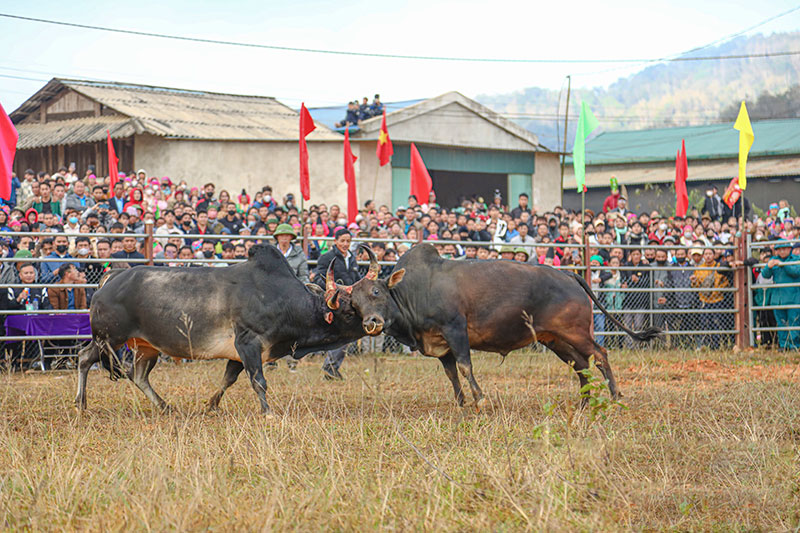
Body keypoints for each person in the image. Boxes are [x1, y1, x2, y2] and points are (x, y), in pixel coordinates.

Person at [313, 228, 360, 379]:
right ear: (336, 241)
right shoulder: (327, 257)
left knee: (346, 334)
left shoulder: (352, 258)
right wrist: (333, 287)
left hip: (350, 301)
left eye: (348, 241)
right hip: (333, 301)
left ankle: (331, 367)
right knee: (343, 333)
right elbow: (318, 278)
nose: (345, 244)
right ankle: (330, 367)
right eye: (342, 241)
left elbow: (356, 277)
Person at [760, 240, 800, 350]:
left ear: (789, 249)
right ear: (776, 251)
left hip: (793, 298)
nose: (782, 251)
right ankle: (783, 345)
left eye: (784, 248)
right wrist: (768, 266)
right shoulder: (773, 260)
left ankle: (793, 345)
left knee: (794, 322)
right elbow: (765, 275)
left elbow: (796, 271)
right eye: (779, 249)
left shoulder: (796, 259)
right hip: (778, 299)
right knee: (781, 323)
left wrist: (783, 265)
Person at [690, 247, 730, 349]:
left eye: (710, 254)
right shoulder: (699, 269)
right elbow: (696, 286)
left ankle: (716, 345)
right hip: (704, 300)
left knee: (717, 323)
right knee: (705, 323)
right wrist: (694, 282)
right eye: (706, 254)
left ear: (714, 255)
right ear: (703, 256)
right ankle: (706, 344)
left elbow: (726, 281)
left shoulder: (719, 267)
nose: (708, 256)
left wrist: (718, 290)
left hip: (717, 300)